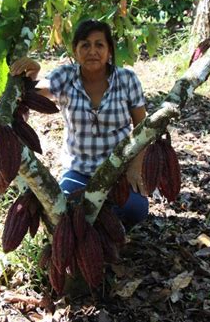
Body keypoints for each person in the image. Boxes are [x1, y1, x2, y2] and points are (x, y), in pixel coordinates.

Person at [10, 19, 148, 230]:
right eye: (85, 45)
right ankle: (93, 231)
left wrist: (135, 168)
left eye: (99, 44)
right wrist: (35, 71)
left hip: (118, 169)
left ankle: (107, 231)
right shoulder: (66, 77)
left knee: (135, 209)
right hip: (79, 171)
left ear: (110, 50)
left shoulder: (127, 79)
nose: (92, 50)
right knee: (63, 211)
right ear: (75, 51)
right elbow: (33, 92)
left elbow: (142, 127)